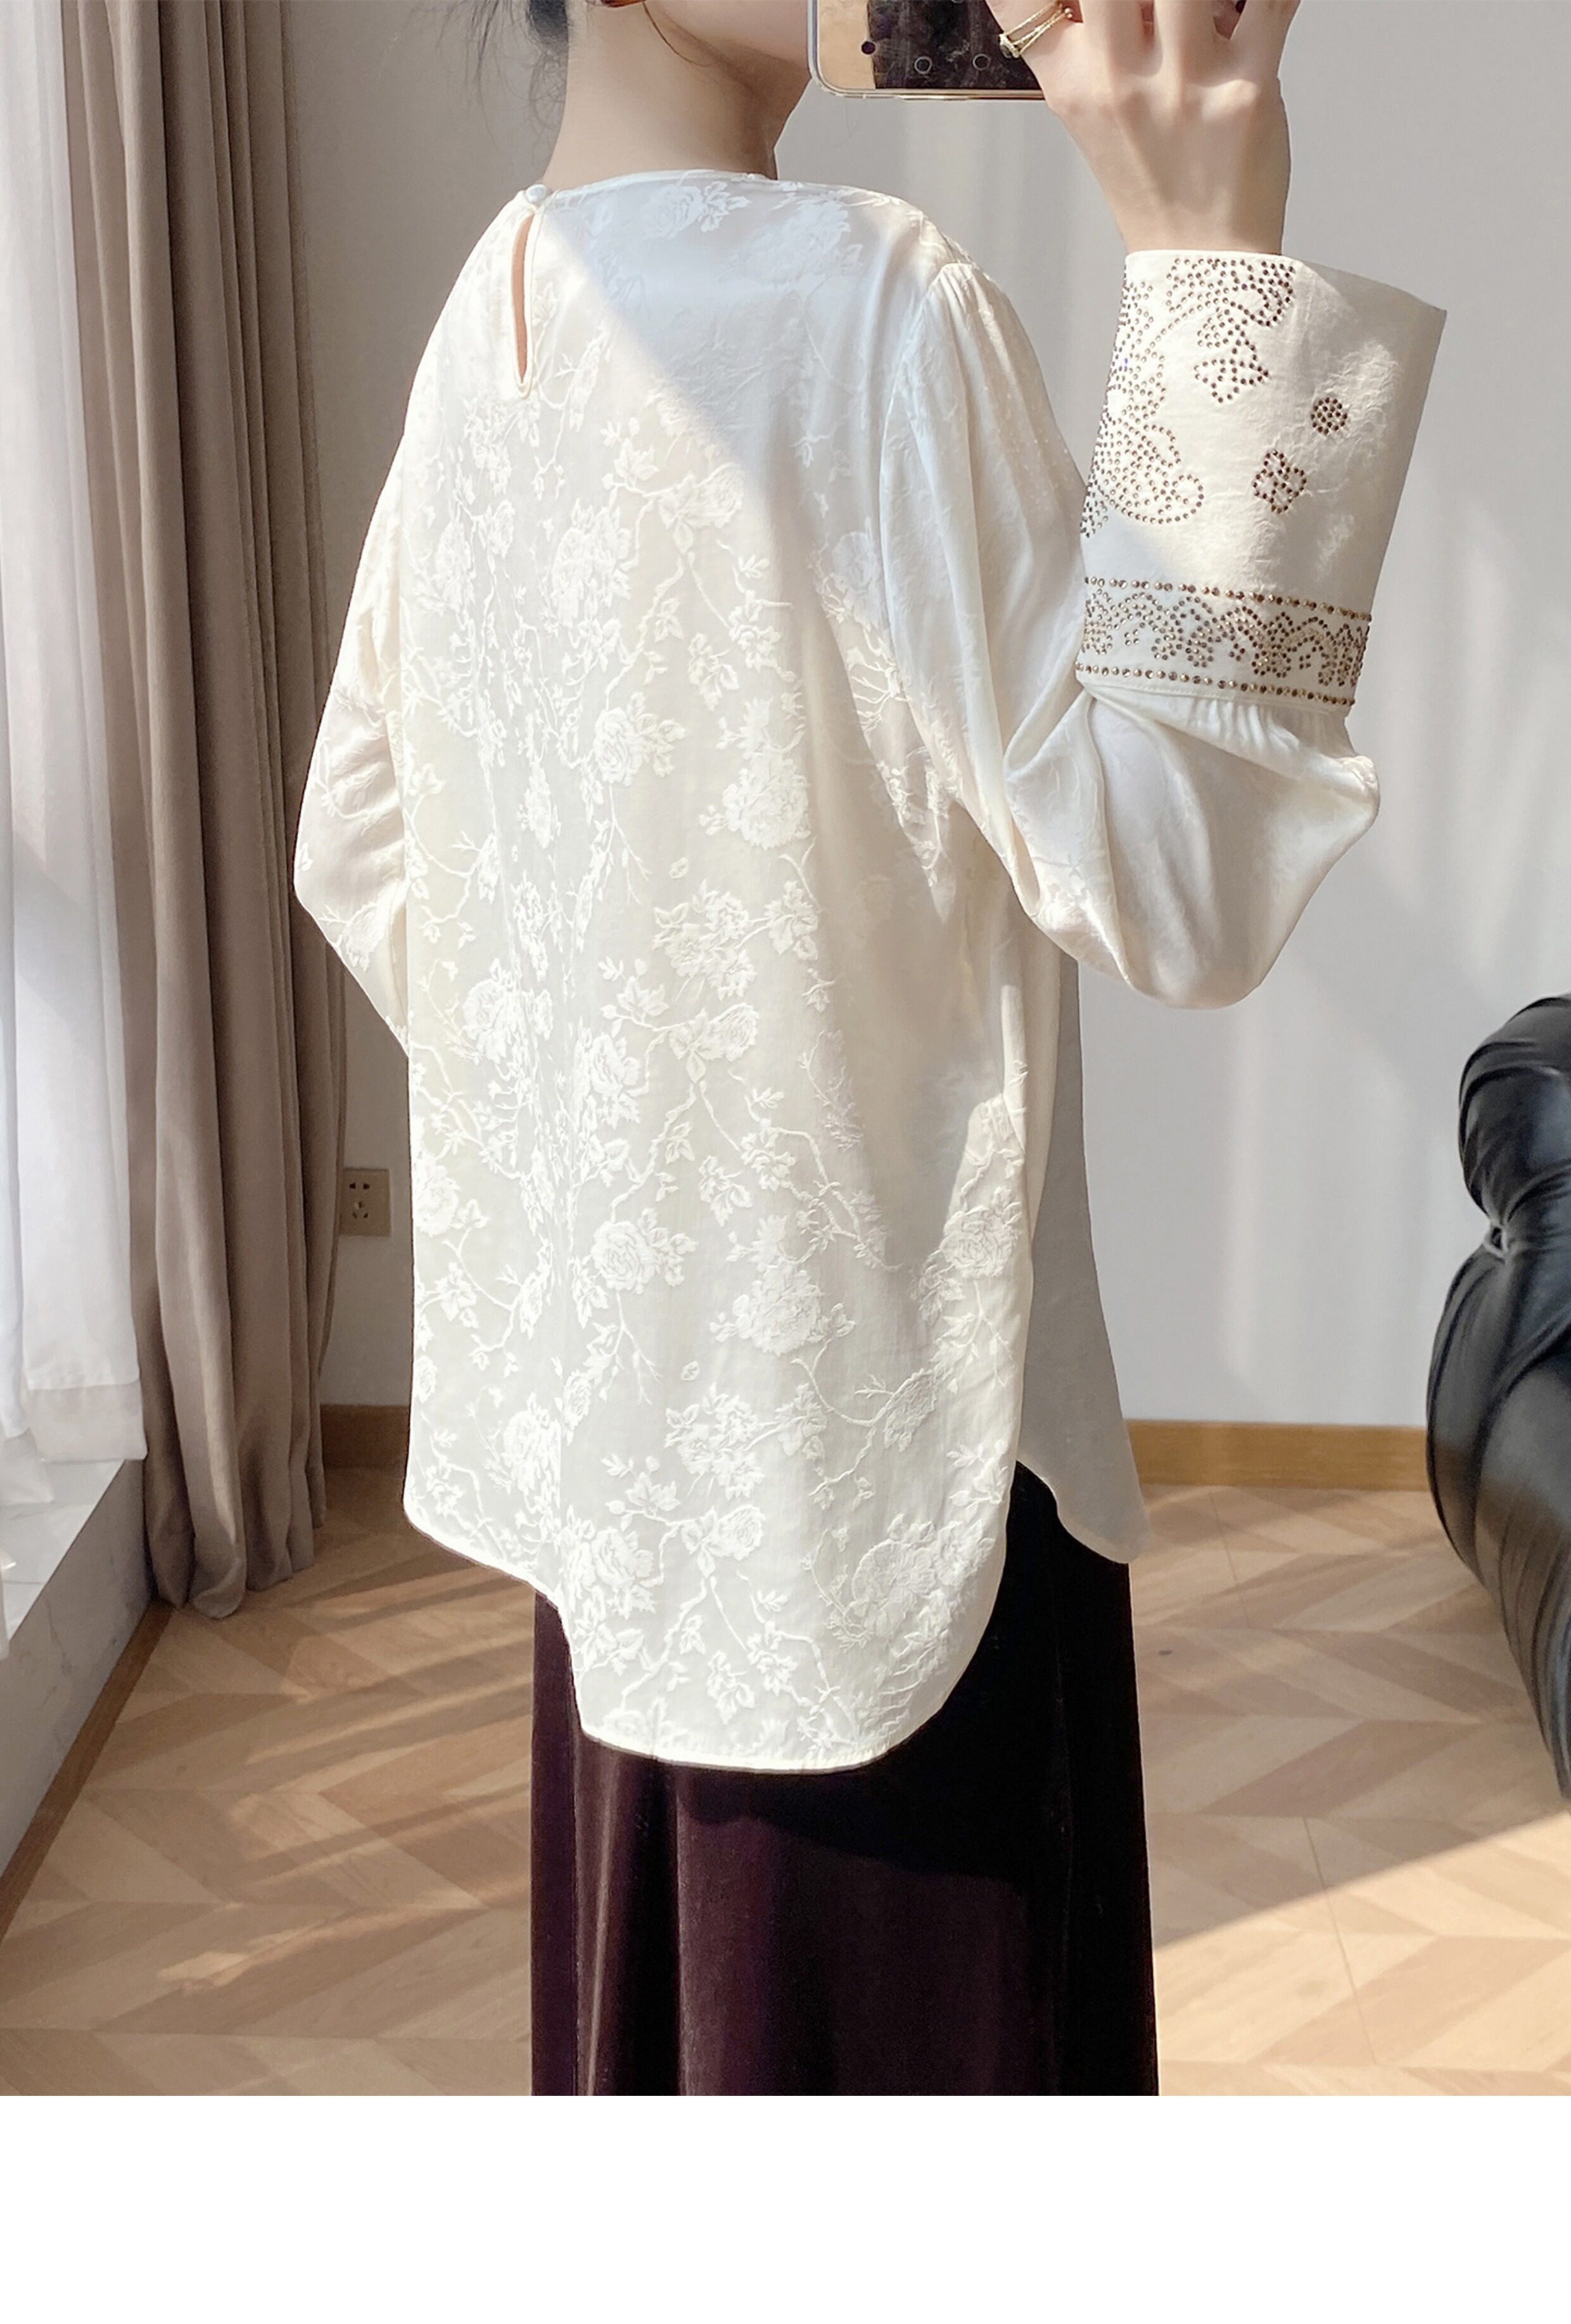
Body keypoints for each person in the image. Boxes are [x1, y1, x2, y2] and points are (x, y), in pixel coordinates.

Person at [294, 0, 1442, 2093]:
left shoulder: (500, 304)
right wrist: (1209, 256)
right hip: (901, 1502)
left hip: (633, 1507)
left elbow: (362, 842)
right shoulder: (878, 310)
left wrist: (628, 1137)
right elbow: (1182, 885)